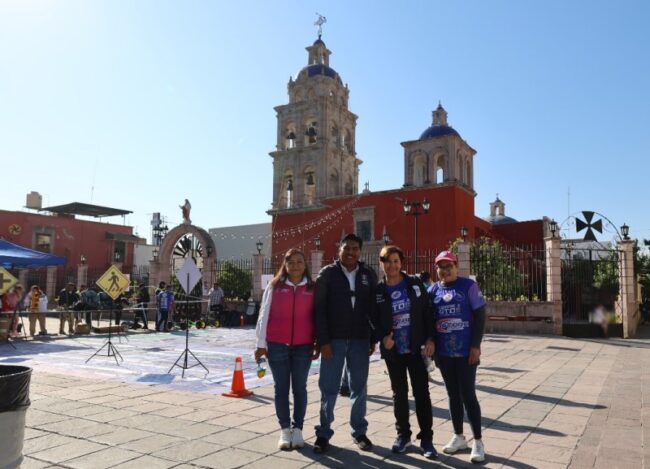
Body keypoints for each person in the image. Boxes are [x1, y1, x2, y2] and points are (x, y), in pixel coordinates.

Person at [313, 233, 378, 453]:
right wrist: (323, 340)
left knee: (359, 388)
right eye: (346, 248)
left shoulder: (368, 274)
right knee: (329, 388)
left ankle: (359, 432)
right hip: (334, 340)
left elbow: (373, 309)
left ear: (360, 251)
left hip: (360, 339)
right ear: (339, 250)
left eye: (355, 249)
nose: (350, 252)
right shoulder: (327, 274)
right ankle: (323, 433)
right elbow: (319, 309)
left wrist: (372, 338)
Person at [374, 245, 437, 458]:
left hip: (416, 349)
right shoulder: (379, 291)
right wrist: (382, 339)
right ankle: (403, 435)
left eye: (395, 261)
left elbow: (428, 312)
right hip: (394, 351)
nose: (392, 265)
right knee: (399, 394)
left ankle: (427, 439)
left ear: (402, 263)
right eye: (387, 261)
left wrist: (430, 338)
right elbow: (373, 320)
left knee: (422, 393)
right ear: (381, 264)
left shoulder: (414, 284)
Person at [255, 248, 319, 450]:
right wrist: (260, 344)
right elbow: (264, 315)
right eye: (291, 262)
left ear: (305, 265)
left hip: (303, 346)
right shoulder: (274, 286)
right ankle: (284, 429)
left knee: (299, 388)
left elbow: (318, 317)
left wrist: (317, 341)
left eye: (300, 262)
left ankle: (298, 429)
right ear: (285, 264)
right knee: (281, 389)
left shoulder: (312, 288)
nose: (295, 266)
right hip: (277, 345)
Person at [429, 250, 487, 464]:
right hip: (444, 354)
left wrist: (476, 345)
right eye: (440, 267)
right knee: (452, 394)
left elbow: (480, 315)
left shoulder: (468, 287)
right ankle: (459, 436)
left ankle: (478, 441)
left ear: (456, 267)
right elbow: (429, 319)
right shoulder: (433, 290)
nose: (445, 270)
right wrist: (431, 342)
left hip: (465, 352)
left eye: (448, 266)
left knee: (468, 395)